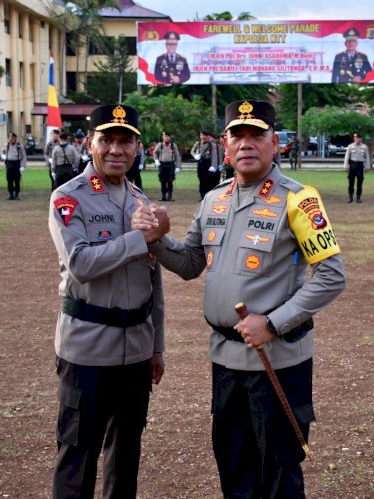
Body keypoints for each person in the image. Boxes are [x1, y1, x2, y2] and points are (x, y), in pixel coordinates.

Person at [132, 100, 346, 498]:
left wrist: (273, 322)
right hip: (225, 361)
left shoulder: (299, 199)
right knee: (233, 461)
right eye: (237, 135)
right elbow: (191, 262)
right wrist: (154, 239)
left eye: (256, 135)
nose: (246, 144)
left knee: (278, 468)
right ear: (225, 147)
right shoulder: (213, 199)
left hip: (277, 360)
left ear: (275, 143)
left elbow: (331, 276)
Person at [48, 103, 165, 498]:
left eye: (125, 141)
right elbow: (81, 263)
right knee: (77, 454)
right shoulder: (69, 198)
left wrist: (156, 347)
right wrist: (138, 240)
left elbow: (155, 282)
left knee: (126, 455)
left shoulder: (139, 199)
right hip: (87, 350)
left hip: (135, 351)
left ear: (137, 148)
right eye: (107, 140)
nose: (116, 150)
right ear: (89, 143)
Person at [153, 131, 181, 201]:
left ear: (170, 137)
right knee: (162, 181)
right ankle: (163, 196)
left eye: (167, 136)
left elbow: (177, 155)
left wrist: (178, 166)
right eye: (164, 136)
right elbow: (155, 153)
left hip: (170, 165)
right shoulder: (160, 145)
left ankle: (170, 196)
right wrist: (156, 160)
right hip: (162, 165)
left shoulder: (173, 145)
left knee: (170, 180)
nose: (166, 138)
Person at [343, 132, 371, 203]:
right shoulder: (350, 146)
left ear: (361, 139)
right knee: (351, 182)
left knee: (360, 182)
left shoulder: (364, 147)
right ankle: (350, 197)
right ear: (354, 138)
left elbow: (367, 157)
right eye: (355, 138)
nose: (357, 139)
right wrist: (346, 166)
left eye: (358, 138)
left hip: (360, 165)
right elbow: (347, 156)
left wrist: (367, 166)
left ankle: (358, 197)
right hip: (352, 165)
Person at [2, 133, 26, 200]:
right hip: (9, 163)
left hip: (17, 163)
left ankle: (17, 194)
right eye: (10, 137)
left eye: (13, 137)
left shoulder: (19, 146)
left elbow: (24, 156)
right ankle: (11, 194)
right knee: (9, 179)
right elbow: (2, 151)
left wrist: (23, 166)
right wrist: (3, 156)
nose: (11, 139)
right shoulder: (6, 145)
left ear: (15, 138)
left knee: (17, 180)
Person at [196, 130, 219, 200]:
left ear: (207, 136)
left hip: (208, 163)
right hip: (201, 163)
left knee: (208, 180)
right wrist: (195, 155)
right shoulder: (198, 144)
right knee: (201, 179)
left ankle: (208, 195)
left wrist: (213, 165)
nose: (202, 137)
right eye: (201, 135)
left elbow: (214, 155)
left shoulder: (212, 145)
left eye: (203, 135)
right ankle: (202, 195)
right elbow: (192, 151)